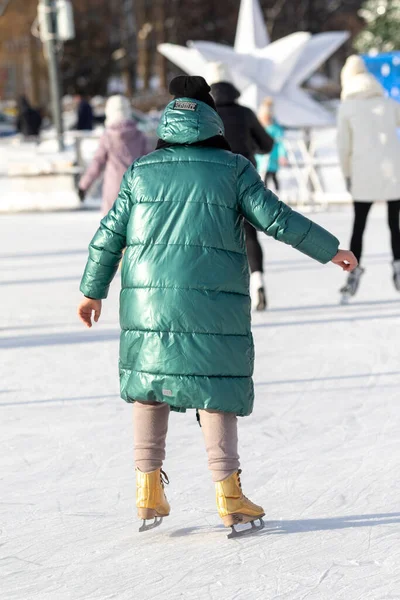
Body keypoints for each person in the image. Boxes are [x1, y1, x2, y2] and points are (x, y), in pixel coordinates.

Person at [77, 76, 357, 537]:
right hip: (211, 301)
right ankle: (229, 495)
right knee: (216, 389)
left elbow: (109, 233)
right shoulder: (234, 168)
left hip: (148, 301)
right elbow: (277, 219)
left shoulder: (141, 170)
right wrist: (329, 249)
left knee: (149, 386)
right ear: (211, 120)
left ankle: (148, 490)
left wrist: (92, 290)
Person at [208, 63, 274, 311]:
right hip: (245, 180)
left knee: (213, 236)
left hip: (213, 183)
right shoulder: (245, 113)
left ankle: (221, 292)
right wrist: (248, 146)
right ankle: (257, 281)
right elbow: (267, 144)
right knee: (249, 234)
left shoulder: (205, 114)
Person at [338, 55, 400, 299]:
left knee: (359, 225)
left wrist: (347, 175)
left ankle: (352, 273)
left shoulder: (347, 107)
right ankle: (398, 266)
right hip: (393, 173)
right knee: (394, 224)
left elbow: (344, 147)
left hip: (363, 174)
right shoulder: (387, 103)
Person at [78, 95, 149, 214]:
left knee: (111, 228)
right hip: (136, 188)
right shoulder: (139, 135)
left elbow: (97, 163)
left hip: (113, 189)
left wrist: (83, 185)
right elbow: (151, 162)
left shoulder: (108, 137)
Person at [257, 97, 288, 191]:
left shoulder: (275, 128)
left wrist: (282, 155)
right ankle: (264, 194)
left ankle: (277, 193)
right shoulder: (258, 126)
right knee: (262, 178)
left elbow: (281, 143)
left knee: (272, 176)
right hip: (260, 158)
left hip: (272, 157)